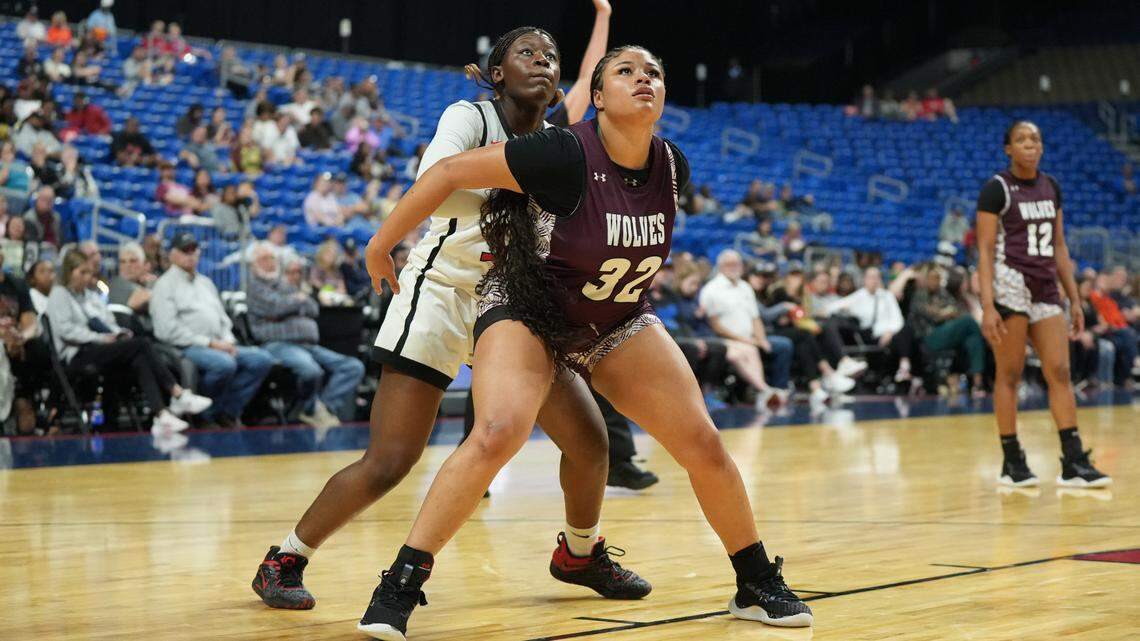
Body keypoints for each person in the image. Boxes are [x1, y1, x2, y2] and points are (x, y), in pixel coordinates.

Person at [360, 44, 812, 639]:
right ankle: (400, 583)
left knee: (702, 441)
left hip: (614, 317)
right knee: (497, 434)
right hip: (526, 308)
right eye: (626, 71)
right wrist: (380, 245)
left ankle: (754, 582)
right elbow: (446, 173)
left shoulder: (672, 164)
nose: (644, 79)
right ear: (597, 97)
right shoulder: (560, 151)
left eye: (654, 71)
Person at [249, 16, 651, 619]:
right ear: (497, 72)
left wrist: (603, 19)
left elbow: (589, 87)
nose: (543, 59)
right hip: (443, 291)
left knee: (592, 443)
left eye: (551, 54)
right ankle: (286, 558)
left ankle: (580, 553)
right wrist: (517, 182)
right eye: (527, 52)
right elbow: (437, 181)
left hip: (511, 304)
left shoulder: (558, 138)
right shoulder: (470, 117)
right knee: (391, 460)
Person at [976, 120, 1110, 488]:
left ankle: (1073, 461)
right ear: (1008, 149)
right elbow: (985, 251)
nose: (1030, 144)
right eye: (1021, 139)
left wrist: (1075, 297)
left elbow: (1060, 246)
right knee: (1010, 374)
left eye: (1035, 138)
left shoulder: (1052, 186)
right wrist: (988, 305)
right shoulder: (997, 189)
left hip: (1046, 286)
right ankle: (1012, 460)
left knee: (1060, 372)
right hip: (1010, 284)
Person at [45, 249, 212, 434]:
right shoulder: (59, 294)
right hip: (77, 353)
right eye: (81, 272)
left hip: (100, 348)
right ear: (69, 272)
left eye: (89, 273)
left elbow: (108, 320)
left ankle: (161, 415)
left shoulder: (91, 296)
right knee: (142, 345)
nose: (86, 278)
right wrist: (101, 338)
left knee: (139, 358)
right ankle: (177, 394)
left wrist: (119, 333)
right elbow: (66, 331)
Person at [151, 232, 275, 428]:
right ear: (172, 254)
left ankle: (227, 411)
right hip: (187, 346)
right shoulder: (164, 285)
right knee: (224, 365)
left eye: (194, 250)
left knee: (261, 359)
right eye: (185, 251)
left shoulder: (206, 283)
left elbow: (223, 319)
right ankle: (205, 415)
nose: (190, 255)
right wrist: (211, 344)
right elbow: (166, 330)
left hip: (219, 343)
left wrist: (228, 341)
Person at [247, 243, 365, 427]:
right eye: (264, 259)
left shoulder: (284, 284)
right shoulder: (255, 287)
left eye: (272, 258)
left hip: (307, 345)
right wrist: (294, 303)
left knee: (353, 367)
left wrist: (291, 306)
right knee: (311, 370)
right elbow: (276, 307)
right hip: (278, 343)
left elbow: (312, 307)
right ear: (253, 264)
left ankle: (321, 408)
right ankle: (309, 410)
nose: (270, 263)